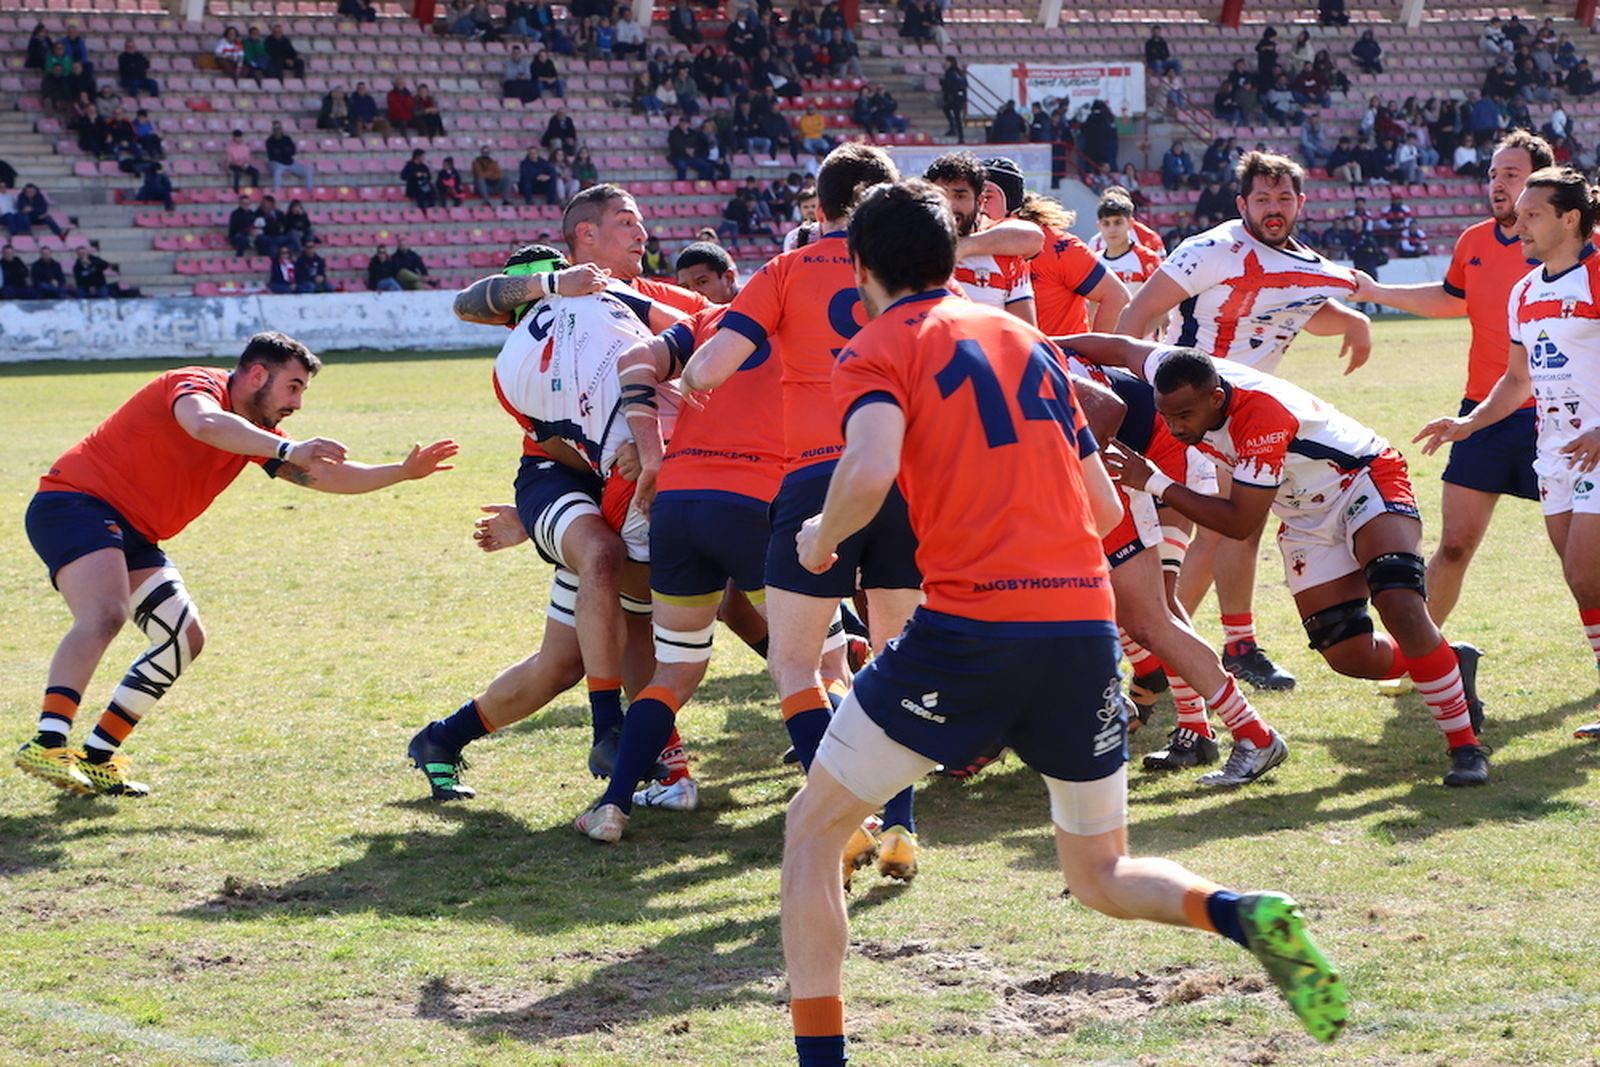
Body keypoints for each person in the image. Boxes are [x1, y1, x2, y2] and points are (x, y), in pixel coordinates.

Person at [779, 180, 1347, 1067]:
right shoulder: (1025, 339)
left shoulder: (878, 344)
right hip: (1080, 624)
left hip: (971, 622)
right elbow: (1092, 492)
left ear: (860, 267)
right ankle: (1243, 913)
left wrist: (822, 537)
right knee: (1102, 874)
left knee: (811, 833)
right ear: (951, 255)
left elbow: (869, 467)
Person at [13, 335, 456, 797]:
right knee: (105, 614)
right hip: (76, 504)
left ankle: (98, 757)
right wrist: (286, 450)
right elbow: (205, 423)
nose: (298, 404)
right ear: (258, 375)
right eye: (294, 387)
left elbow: (323, 474)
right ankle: (47, 741)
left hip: (136, 533)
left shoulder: (250, 432)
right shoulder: (193, 384)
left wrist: (401, 471)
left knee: (183, 638)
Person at [1073, 335, 1491, 789]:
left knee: (1401, 606)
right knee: (1349, 654)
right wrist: (1032, 343)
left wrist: (1154, 482)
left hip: (1361, 480)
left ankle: (1466, 748)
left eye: (1185, 417)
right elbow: (1116, 346)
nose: (1173, 428)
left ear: (1216, 398)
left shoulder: (1261, 418)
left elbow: (1238, 523)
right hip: (1302, 514)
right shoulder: (1174, 372)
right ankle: (1447, 661)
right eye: (1166, 415)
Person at [681, 145, 925, 885]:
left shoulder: (784, 272)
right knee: (893, 662)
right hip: (903, 478)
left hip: (818, 474)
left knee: (794, 660)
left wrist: (692, 381)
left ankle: (847, 817)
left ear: (816, 208)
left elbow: (711, 367)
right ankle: (904, 827)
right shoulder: (908, 277)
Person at [1116, 151, 1372, 693]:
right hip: (1189, 415)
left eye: (1283, 198)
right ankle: (1194, 646)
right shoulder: (1211, 248)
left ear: (1301, 203)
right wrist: (1150, 401)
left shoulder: (1298, 260)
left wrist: (1352, 320)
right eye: (1262, 198)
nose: (1273, 208)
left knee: (1231, 529)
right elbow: (1136, 316)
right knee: (1208, 531)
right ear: (1242, 203)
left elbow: (1295, 308)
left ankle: (1207, 647)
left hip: (1242, 416)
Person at [1413, 168, 1600, 738]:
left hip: (1597, 450)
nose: (1518, 224)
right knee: (1584, 584)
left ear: (1570, 218)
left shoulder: (1597, 274)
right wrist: (1468, 423)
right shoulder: (1524, 290)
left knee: (1585, 569)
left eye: (1533, 214)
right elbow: (1517, 380)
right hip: (1556, 453)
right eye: (1518, 213)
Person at [1350, 131, 1551, 630]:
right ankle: (1423, 658)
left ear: (1540, 184)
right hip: (1481, 415)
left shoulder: (1576, 247)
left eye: (1511, 174)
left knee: (1580, 553)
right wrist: (1377, 293)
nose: (1498, 184)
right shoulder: (1474, 241)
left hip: (1555, 418)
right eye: (1492, 174)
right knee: (1455, 546)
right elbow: (1450, 298)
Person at [924, 151, 1041, 324]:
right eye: (941, 194)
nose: (949, 205)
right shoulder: (910, 248)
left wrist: (961, 248)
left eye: (960, 196)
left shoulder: (1006, 253)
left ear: (979, 202)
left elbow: (1026, 338)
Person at [265, 121, 313, 192]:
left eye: (279, 128)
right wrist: (285, 151)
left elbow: (293, 151)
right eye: (275, 129)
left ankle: (309, 192)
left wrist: (282, 151)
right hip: (276, 163)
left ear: (281, 129)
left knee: (308, 171)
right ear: (273, 130)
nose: (277, 131)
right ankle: (277, 192)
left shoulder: (287, 139)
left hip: (289, 162)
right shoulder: (269, 141)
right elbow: (273, 155)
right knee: (277, 172)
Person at [939, 55, 967, 143]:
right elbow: (965, 84)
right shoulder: (959, 72)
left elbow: (948, 85)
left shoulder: (950, 72)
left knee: (948, 110)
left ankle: (953, 129)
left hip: (953, 98)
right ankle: (959, 135)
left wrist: (942, 82)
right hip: (960, 97)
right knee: (957, 117)